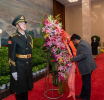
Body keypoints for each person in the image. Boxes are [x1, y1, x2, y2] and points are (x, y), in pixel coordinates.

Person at [8, 15, 33, 100]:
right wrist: (13, 71)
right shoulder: (13, 38)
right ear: (17, 26)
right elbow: (11, 55)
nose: (24, 24)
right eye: (21, 23)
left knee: (26, 87)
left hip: (27, 66)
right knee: (19, 88)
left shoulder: (29, 37)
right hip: (19, 67)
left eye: (24, 23)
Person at [70, 34, 97, 100]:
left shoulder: (81, 44)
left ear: (76, 39)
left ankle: (87, 98)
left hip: (86, 67)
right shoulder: (84, 42)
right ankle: (82, 94)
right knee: (85, 82)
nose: (74, 43)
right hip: (89, 65)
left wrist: (73, 59)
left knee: (86, 83)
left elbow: (83, 55)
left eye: (73, 42)